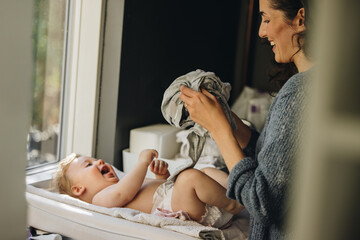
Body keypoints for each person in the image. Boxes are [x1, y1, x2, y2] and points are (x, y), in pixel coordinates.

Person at [179, 0, 313, 239]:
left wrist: (219, 129)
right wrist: (231, 122)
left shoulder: (299, 92)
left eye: (267, 19)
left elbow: (262, 202)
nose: (261, 31)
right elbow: (280, 166)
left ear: (300, 19)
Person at [54, 149, 244, 228]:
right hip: (184, 210)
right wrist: (143, 162)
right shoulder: (100, 200)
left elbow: (158, 190)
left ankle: (237, 190)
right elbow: (124, 193)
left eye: (96, 160)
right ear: (79, 189)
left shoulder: (123, 183)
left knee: (206, 170)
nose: (100, 161)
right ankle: (233, 204)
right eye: (89, 165)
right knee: (189, 178)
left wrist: (160, 177)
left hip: (190, 200)